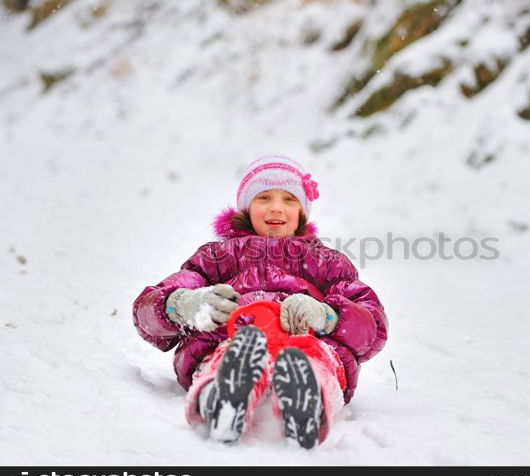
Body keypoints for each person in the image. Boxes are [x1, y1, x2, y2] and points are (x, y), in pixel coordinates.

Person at [132, 155, 388, 449]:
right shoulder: (218, 257)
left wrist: (328, 316)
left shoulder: (325, 262)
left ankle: (309, 398)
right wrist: (181, 304)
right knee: (232, 352)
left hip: (304, 339)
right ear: (246, 207)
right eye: (264, 197)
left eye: (289, 199)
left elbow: (372, 326)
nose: (276, 207)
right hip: (233, 336)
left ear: (302, 211)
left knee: (315, 356)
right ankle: (222, 394)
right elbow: (148, 311)